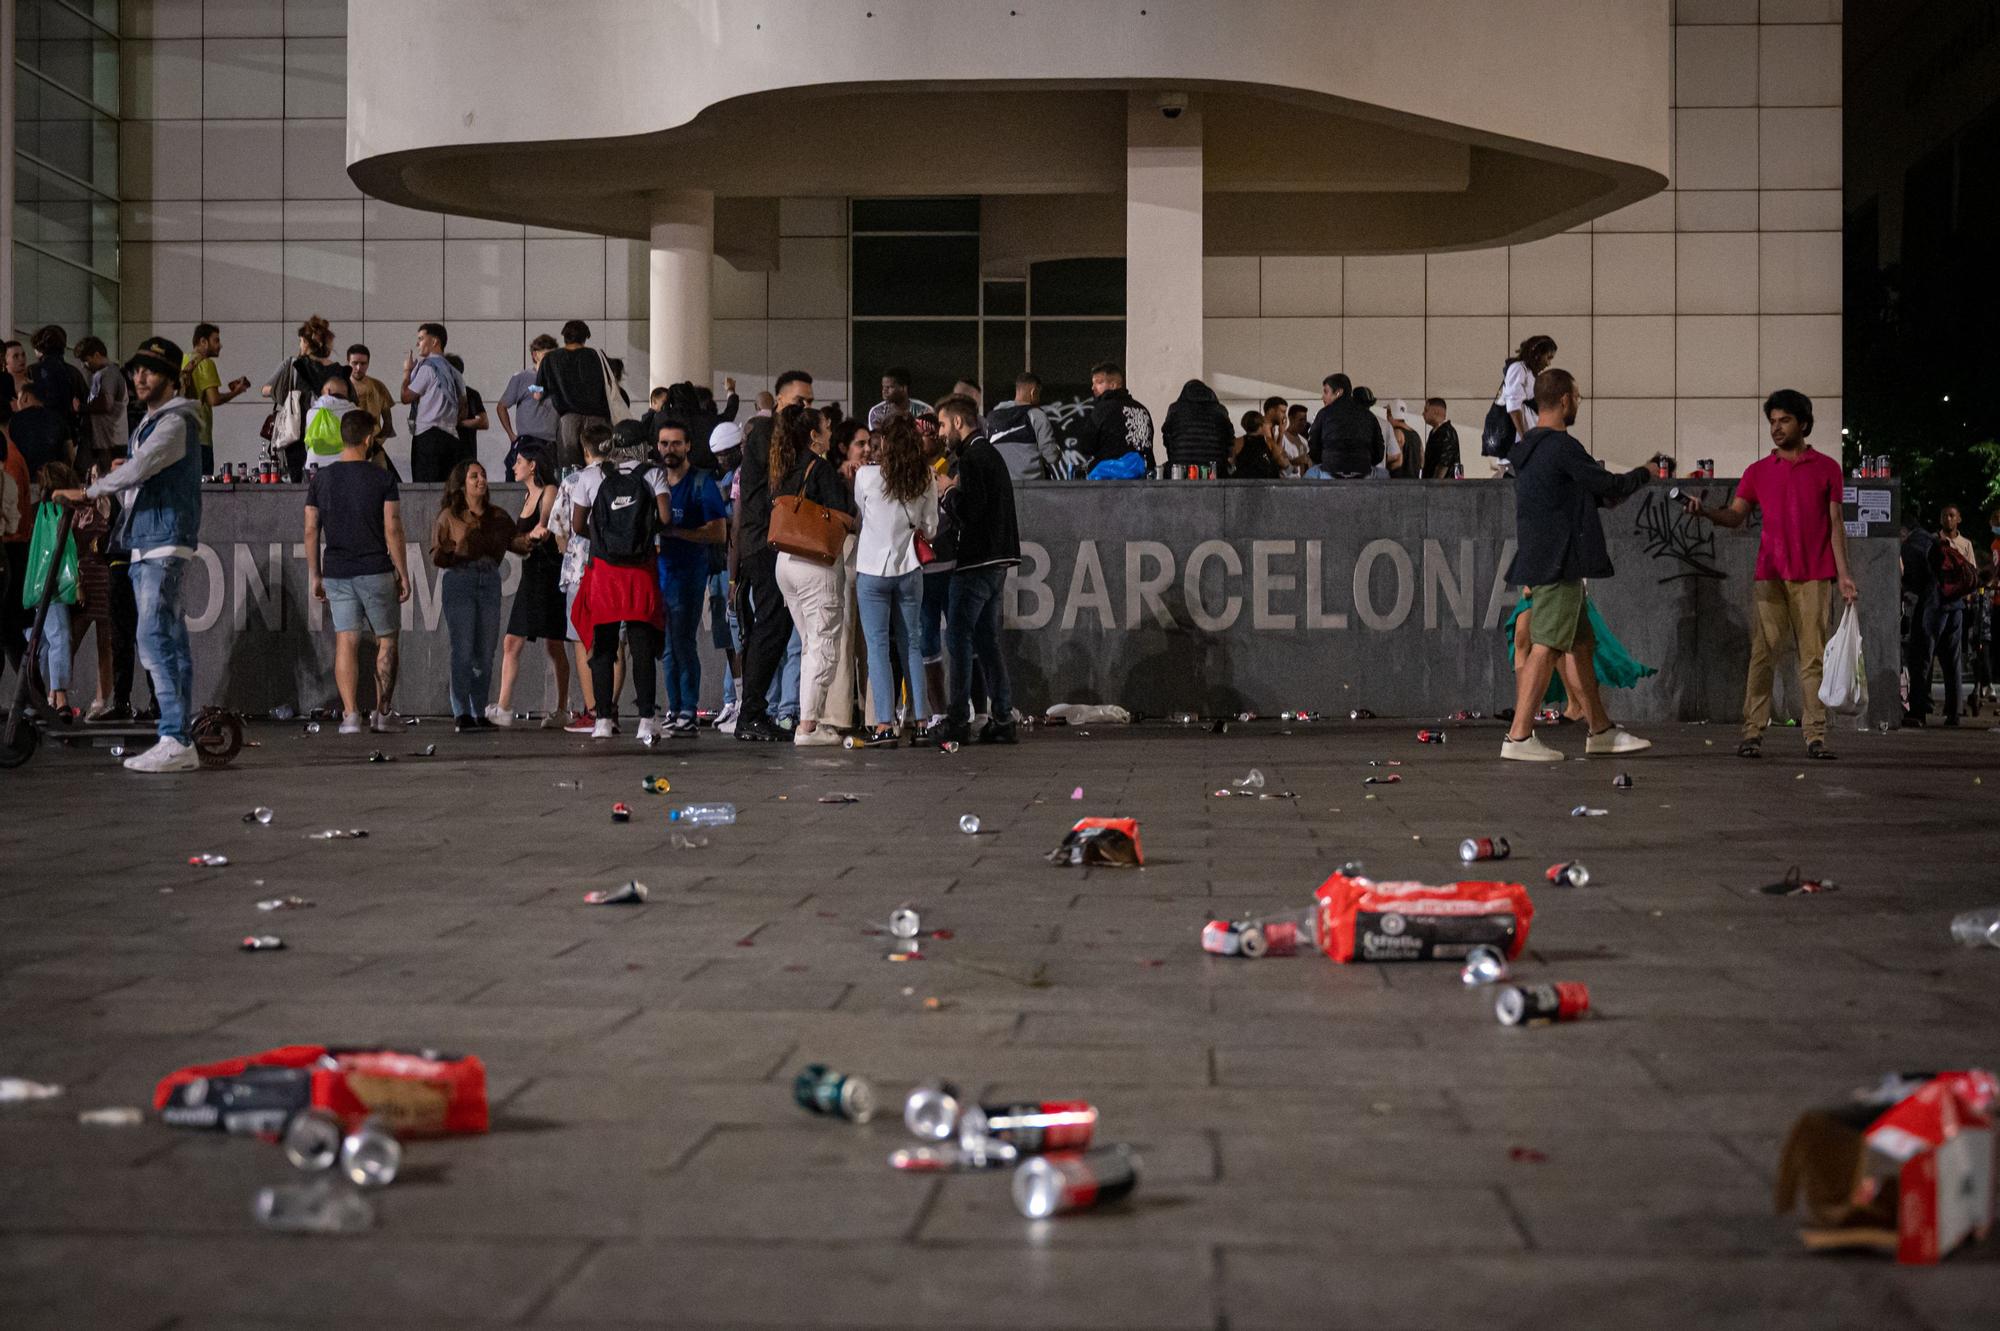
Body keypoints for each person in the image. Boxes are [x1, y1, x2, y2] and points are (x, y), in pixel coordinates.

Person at [47, 336, 203, 772]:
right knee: (166, 638)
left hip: (163, 541)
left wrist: (89, 490)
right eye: (136, 369)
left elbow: (143, 466)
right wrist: (125, 472)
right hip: (146, 540)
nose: (138, 377)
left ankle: (174, 737)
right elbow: (142, 469)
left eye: (150, 370)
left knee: (155, 637)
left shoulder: (176, 421)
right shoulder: (152, 422)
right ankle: (178, 736)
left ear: (171, 378)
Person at [1682, 389, 1856, 758]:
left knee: (1812, 658)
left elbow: (1836, 522)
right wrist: (1706, 512)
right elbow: (1735, 515)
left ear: (1803, 424)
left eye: (1784, 421)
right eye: (1772, 422)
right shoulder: (1758, 471)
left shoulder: (1827, 468)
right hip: (1770, 576)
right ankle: (1752, 732)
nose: (1776, 429)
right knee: (1764, 655)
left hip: (1814, 575)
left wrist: (1844, 576)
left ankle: (1815, 736)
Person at [1497, 368, 1653, 762]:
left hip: (1542, 557)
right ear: (1565, 400)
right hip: (1560, 562)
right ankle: (1518, 737)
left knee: (1581, 644)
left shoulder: (1529, 449)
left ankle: (1600, 730)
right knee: (1546, 646)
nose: (1579, 403)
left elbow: (1569, 497)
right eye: (1578, 397)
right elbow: (1609, 486)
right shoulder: (1563, 447)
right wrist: (1647, 473)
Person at [304, 410, 409, 735]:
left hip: (337, 570)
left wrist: (315, 574)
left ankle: (350, 716)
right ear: (368, 439)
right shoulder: (382, 477)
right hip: (375, 568)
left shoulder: (320, 478)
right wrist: (403, 573)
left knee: (346, 640)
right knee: (386, 641)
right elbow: (392, 527)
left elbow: (311, 529)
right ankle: (383, 714)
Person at [568, 421, 671, 742]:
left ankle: (602, 720)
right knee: (641, 645)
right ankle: (645, 720)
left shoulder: (591, 476)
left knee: (603, 646)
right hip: (640, 571)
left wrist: (604, 540)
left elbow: (577, 524)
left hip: (604, 571)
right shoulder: (653, 474)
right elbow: (666, 518)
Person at [732, 369, 815, 742]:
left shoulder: (785, 436)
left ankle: (753, 711)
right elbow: (779, 485)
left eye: (810, 402)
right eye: (800, 401)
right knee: (770, 626)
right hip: (764, 544)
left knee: (776, 627)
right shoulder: (767, 434)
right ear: (779, 400)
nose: (806, 408)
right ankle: (749, 712)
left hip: (771, 542)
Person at [767, 402, 857, 746]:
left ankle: (808, 719)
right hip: (814, 563)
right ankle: (808, 727)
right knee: (824, 645)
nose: (831, 434)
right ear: (814, 436)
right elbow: (843, 513)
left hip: (785, 562)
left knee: (808, 644)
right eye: (826, 428)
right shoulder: (819, 468)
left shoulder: (783, 466)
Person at [933, 394, 1020, 744]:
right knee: (986, 639)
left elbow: (971, 512)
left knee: (957, 637)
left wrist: (947, 493)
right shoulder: (990, 454)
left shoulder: (972, 458)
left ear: (958, 422)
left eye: (942, 424)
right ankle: (1002, 716)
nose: (940, 433)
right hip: (998, 559)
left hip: (976, 561)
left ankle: (957, 720)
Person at [432, 459, 539, 733]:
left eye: (483, 475)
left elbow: (516, 544)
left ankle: (479, 711)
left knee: (486, 651)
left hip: (490, 580)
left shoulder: (498, 516)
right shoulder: (449, 516)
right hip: (460, 580)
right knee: (463, 649)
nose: (481, 480)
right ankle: (461, 713)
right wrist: (453, 549)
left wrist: (532, 538)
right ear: (461, 484)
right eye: (474, 476)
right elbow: (438, 556)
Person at [852, 414, 938, 746]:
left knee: (877, 648)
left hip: (872, 570)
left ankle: (884, 725)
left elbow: (862, 512)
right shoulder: (926, 479)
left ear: (884, 445)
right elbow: (930, 529)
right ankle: (921, 722)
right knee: (911, 645)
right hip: (909, 569)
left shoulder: (866, 476)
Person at [652, 417, 728, 737]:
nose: (670, 449)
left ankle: (688, 709)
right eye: (665, 443)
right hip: (659, 574)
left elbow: (718, 532)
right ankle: (674, 708)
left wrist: (676, 533)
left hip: (690, 574)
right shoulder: (655, 482)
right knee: (668, 645)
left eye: (676, 443)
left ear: (688, 446)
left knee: (682, 642)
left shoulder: (701, 482)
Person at [491, 442, 572, 729]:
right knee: (512, 641)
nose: (514, 466)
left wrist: (539, 530)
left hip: (548, 574)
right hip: (531, 572)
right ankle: (503, 707)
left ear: (533, 465)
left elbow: (545, 523)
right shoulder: (527, 494)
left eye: (519, 461)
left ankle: (562, 707)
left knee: (554, 644)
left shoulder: (549, 491)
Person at [551, 421, 617, 732]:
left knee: (582, 641)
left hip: (582, 570)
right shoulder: (627, 478)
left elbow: (561, 530)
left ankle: (593, 711)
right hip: (619, 568)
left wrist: (572, 553)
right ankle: (611, 709)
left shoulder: (575, 481)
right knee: (616, 644)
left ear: (584, 447)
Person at [27, 462, 81, 715]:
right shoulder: (56, 511)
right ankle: (60, 698)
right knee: (60, 637)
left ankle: (46, 697)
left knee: (47, 641)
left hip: (41, 584)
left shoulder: (40, 512)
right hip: (53, 585)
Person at [263, 315, 339, 481]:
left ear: (305, 342)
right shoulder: (334, 368)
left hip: (295, 430)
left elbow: (266, 389)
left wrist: (284, 390)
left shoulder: (292, 364)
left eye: (300, 341)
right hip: (324, 431)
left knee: (295, 479)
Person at [536, 320, 620, 468]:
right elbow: (611, 385)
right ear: (586, 337)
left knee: (570, 468)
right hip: (597, 419)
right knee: (600, 464)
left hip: (568, 420)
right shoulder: (596, 356)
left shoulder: (550, 359)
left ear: (564, 336)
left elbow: (537, 393)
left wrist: (532, 383)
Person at [1926, 503, 1978, 727]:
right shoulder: (1934, 541)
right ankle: (1947, 708)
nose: (1948, 519)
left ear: (1959, 519)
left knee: (1938, 657)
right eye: (1945, 515)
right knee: (1943, 658)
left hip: (1947, 605)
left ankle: (1951, 709)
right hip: (1950, 604)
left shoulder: (1964, 544)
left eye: (1952, 516)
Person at [183, 325, 250, 477]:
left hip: (183, 436)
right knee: (204, 489)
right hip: (201, 438)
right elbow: (214, 399)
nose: (220, 345)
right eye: (216, 341)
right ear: (203, 341)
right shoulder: (206, 364)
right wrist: (236, 391)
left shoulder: (184, 361)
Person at [401, 324, 464, 483]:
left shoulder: (427, 368)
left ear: (435, 341)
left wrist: (407, 372)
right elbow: (464, 407)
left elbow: (405, 397)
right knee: (448, 489)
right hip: (451, 437)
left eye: (421, 339)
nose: (418, 344)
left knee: (425, 489)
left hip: (427, 436)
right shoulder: (455, 372)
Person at [1074, 361, 1155, 478]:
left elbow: (1087, 445)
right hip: (1144, 475)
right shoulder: (1142, 409)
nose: (1093, 388)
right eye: (1093, 383)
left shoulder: (1103, 408)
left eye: (1099, 382)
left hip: (1112, 477)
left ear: (1113, 385)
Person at [497, 334, 562, 474]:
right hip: (528, 440)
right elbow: (502, 406)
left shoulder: (559, 379)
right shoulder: (522, 378)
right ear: (535, 355)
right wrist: (511, 435)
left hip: (551, 442)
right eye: (545, 355)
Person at [1489, 335, 1558, 465]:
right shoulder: (1518, 369)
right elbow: (1514, 406)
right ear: (1537, 354)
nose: (1548, 363)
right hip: (1517, 441)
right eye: (1548, 358)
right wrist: (1524, 438)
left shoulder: (1529, 373)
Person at [985, 371, 1061, 481]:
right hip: (1033, 488)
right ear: (1033, 392)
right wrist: (1057, 451)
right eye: (1039, 394)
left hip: (1001, 486)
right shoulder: (1036, 415)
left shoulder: (992, 417)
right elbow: (1051, 457)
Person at [28, 326, 88, 461]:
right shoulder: (73, 373)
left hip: (38, 433)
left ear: (39, 348)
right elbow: (85, 401)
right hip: (67, 434)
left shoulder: (33, 371)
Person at [1306, 374, 1381, 478]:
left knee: (1309, 475)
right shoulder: (1368, 415)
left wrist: (1326, 460)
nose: (1323, 397)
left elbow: (1313, 447)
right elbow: (1379, 451)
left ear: (1338, 392)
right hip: (1363, 471)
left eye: (1326, 392)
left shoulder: (1324, 413)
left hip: (1329, 471)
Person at [1161, 379, 1233, 477]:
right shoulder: (1220, 410)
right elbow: (1229, 439)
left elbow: (1167, 439)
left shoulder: (1175, 409)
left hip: (1181, 467)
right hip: (1215, 469)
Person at [76, 338, 129, 468]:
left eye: (86, 360)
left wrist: (81, 408)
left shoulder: (109, 374)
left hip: (111, 443)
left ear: (97, 355)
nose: (84, 365)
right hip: (107, 441)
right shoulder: (103, 375)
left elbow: (106, 404)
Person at [344, 344, 398, 462]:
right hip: (348, 447)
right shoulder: (343, 387)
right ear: (348, 362)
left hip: (375, 445)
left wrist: (378, 442)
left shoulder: (378, 386)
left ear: (368, 363)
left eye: (363, 364)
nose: (358, 368)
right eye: (355, 363)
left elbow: (388, 421)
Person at [439, 353, 488, 472]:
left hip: (465, 454)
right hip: (442, 454)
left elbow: (483, 422)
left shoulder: (471, 394)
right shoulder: (438, 394)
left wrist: (459, 423)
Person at [301, 370, 355, 462]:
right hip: (344, 464)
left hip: (314, 464)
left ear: (328, 391)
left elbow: (308, 442)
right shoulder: (355, 412)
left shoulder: (311, 412)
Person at [8, 383, 64, 474]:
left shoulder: (14, 420)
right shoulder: (57, 418)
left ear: (25, 398)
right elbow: (69, 453)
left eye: (18, 398)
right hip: (51, 477)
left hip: (24, 475)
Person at [866, 366, 932, 433]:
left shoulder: (924, 410)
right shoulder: (876, 412)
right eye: (883, 386)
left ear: (903, 388)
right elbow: (877, 440)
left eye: (889, 387)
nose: (884, 391)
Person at [1229, 409, 1283, 480]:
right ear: (1261, 425)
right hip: (1266, 483)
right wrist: (1292, 470)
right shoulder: (1268, 441)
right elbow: (1280, 460)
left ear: (1244, 425)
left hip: (1245, 483)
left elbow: (1231, 464)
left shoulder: (1237, 442)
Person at [1421, 398, 1460, 478]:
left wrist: (1434, 486)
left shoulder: (1447, 432)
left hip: (1444, 487)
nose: (1423, 413)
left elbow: (1443, 464)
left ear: (1436, 411)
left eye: (1426, 410)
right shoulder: (1434, 432)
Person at [1278, 403, 1312, 476]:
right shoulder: (1280, 438)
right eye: (1300, 420)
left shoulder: (1304, 441)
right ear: (1291, 418)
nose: (1303, 423)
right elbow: (1277, 463)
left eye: (1305, 419)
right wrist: (1294, 461)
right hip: (1284, 483)